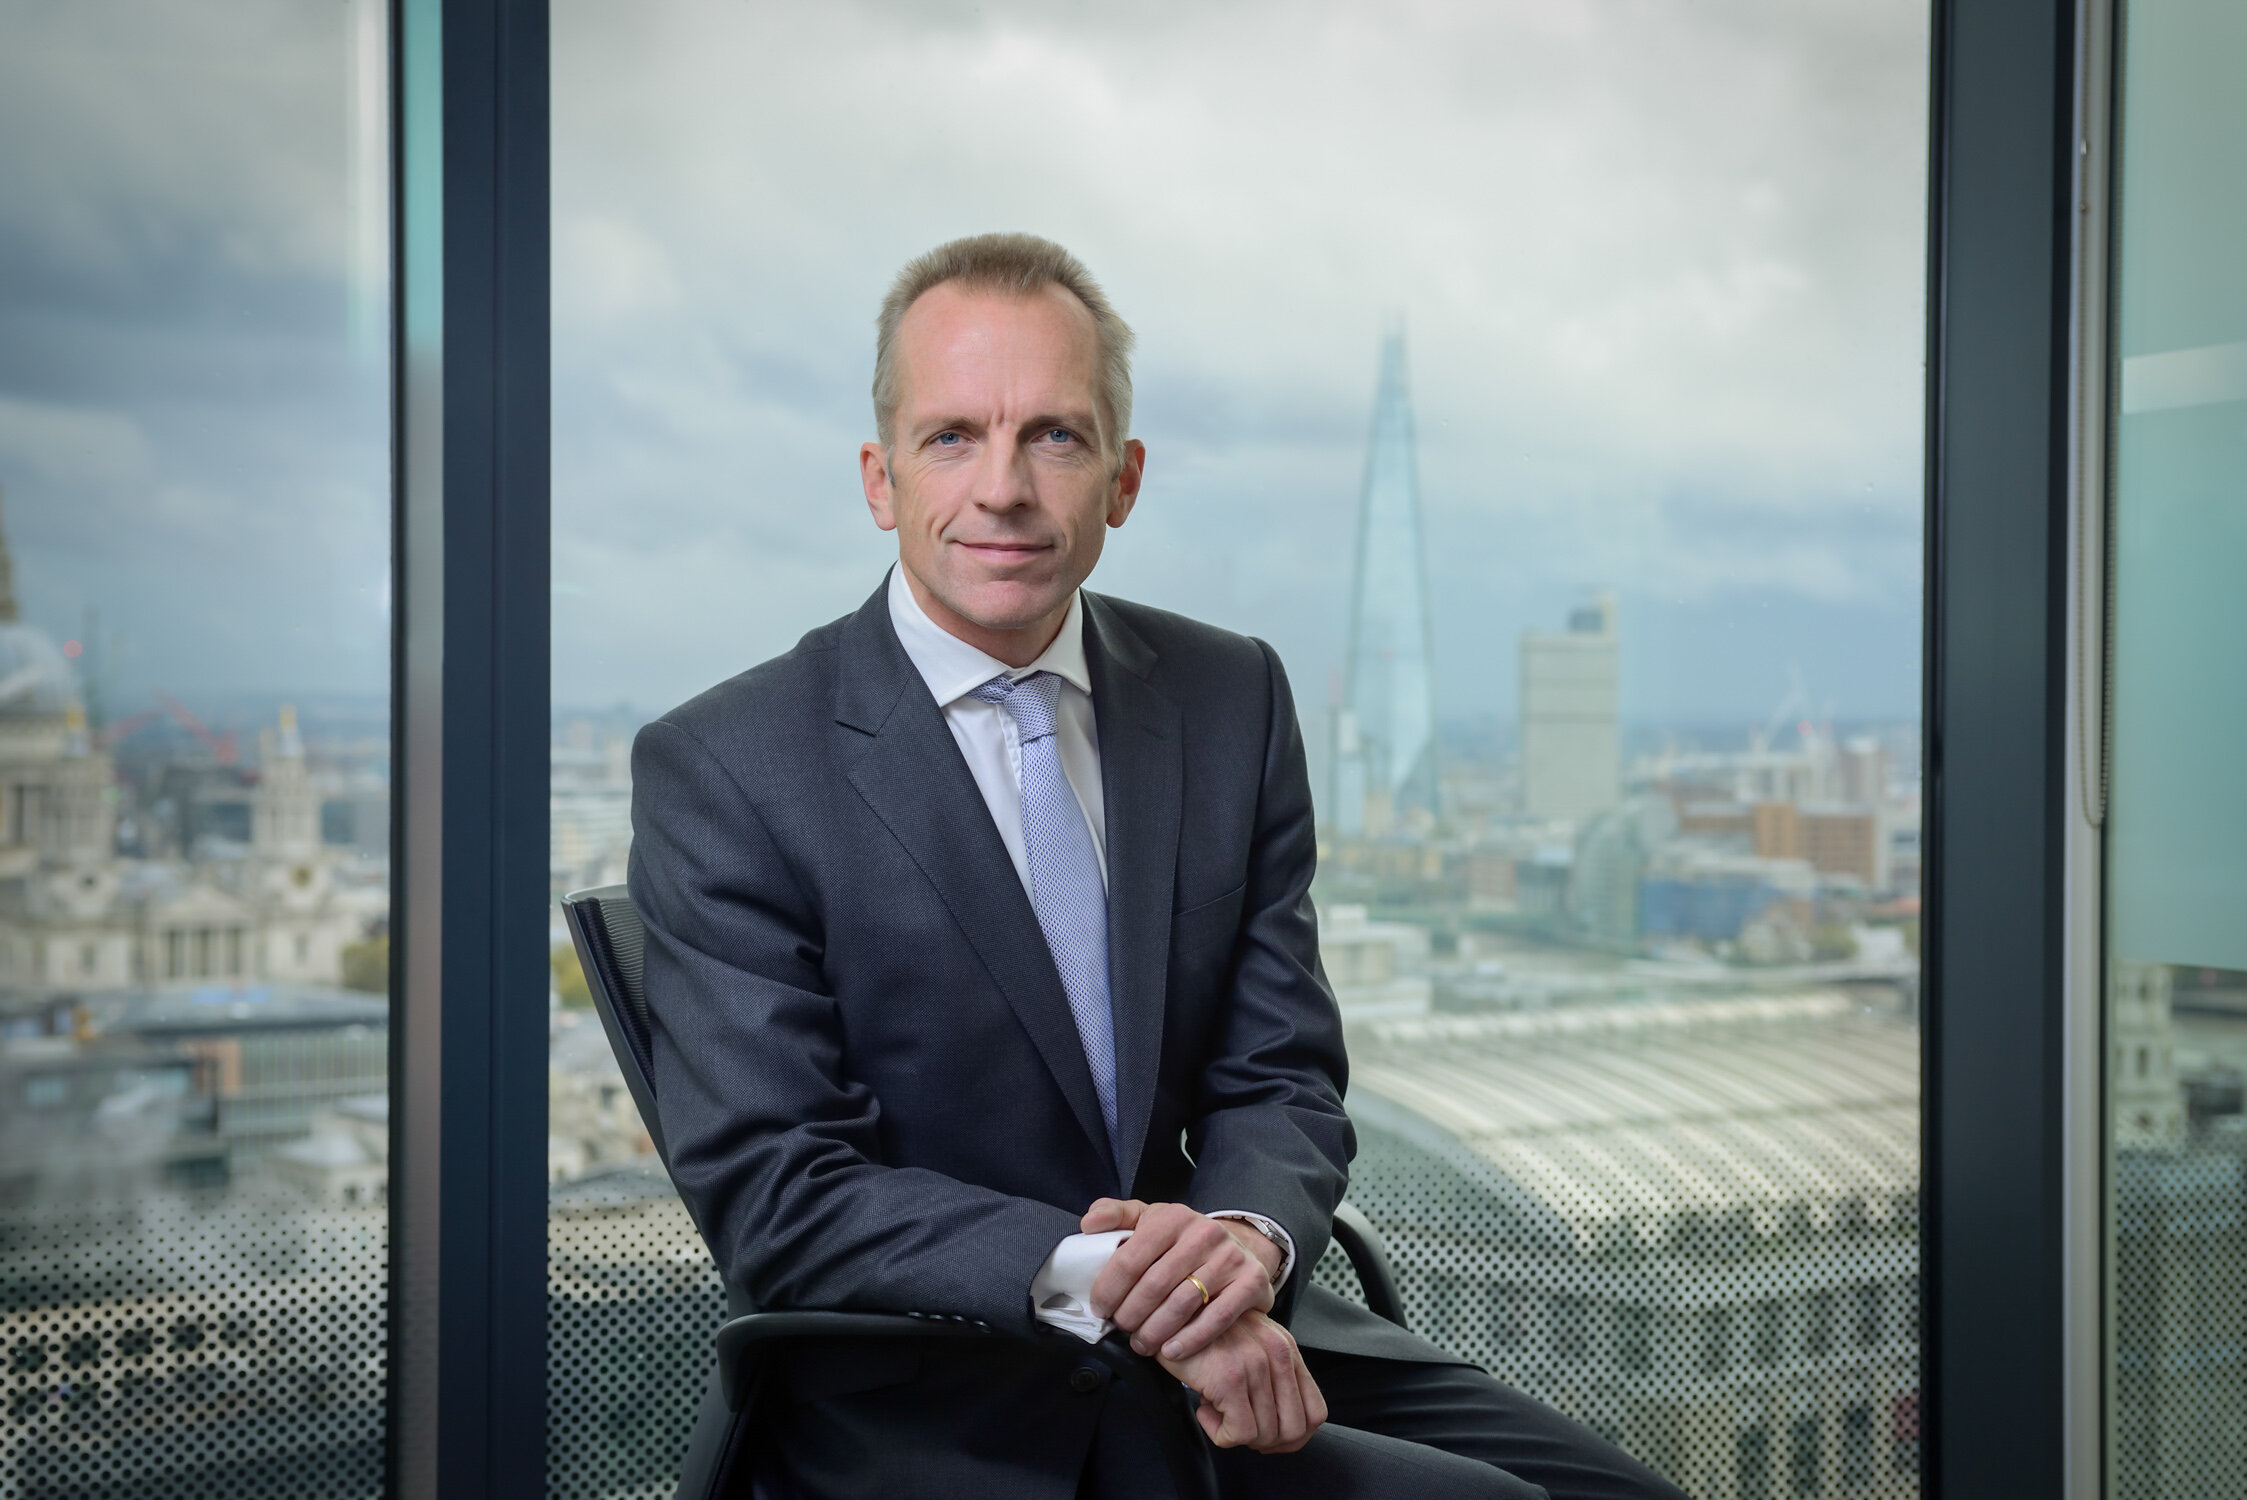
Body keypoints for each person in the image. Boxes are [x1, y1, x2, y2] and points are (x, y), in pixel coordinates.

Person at [629, 232, 1688, 1500]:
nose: (1005, 487)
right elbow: (780, 1192)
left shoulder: (1227, 695)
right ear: (880, 477)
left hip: (1234, 1327)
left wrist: (1240, 1247)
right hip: (943, 1382)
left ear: (1124, 479)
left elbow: (1279, 1069)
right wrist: (1127, 1285)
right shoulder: (731, 764)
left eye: (1057, 438)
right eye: (953, 436)